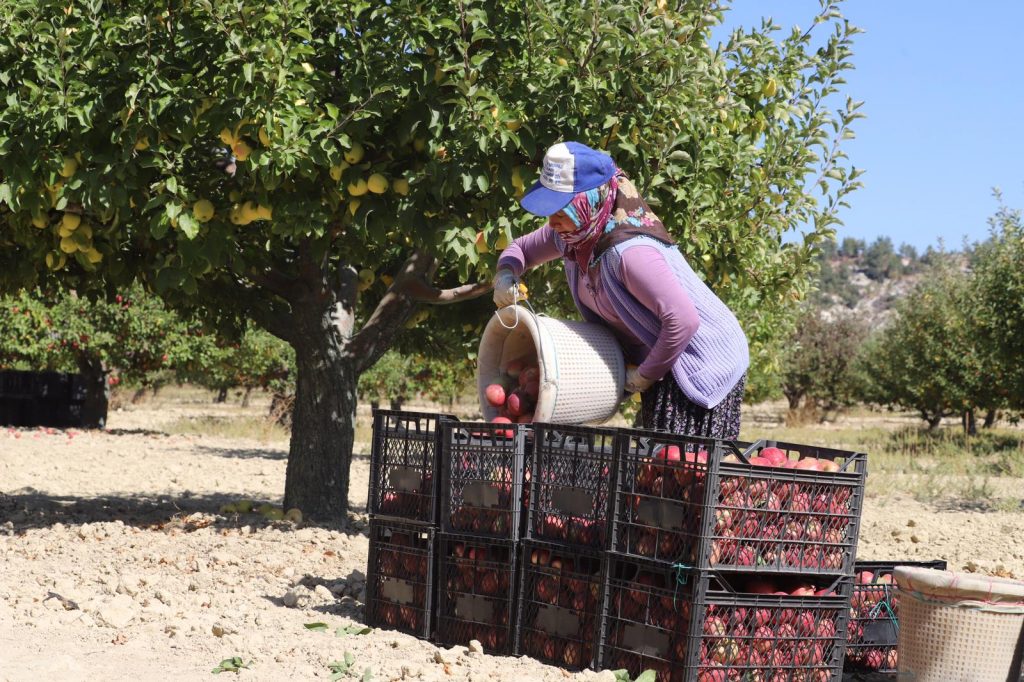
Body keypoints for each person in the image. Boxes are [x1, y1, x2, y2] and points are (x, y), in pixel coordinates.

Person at [493, 141, 749, 439]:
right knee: (663, 466)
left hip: (701, 360)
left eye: (559, 209)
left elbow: (683, 320)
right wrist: (506, 274)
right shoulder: (575, 234)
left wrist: (644, 375)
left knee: (685, 468)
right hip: (664, 358)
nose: (551, 221)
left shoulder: (629, 253)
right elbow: (521, 248)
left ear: (586, 201)